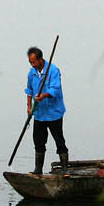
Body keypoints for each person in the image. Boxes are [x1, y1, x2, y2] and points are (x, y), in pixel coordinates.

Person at [24, 46, 68, 175]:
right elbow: (29, 90)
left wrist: (43, 96)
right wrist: (28, 107)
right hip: (39, 113)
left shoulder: (53, 70)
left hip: (54, 113)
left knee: (59, 140)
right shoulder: (32, 73)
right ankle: (38, 170)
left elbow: (55, 89)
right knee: (38, 141)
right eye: (30, 62)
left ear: (40, 59)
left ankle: (65, 169)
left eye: (33, 62)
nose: (32, 64)